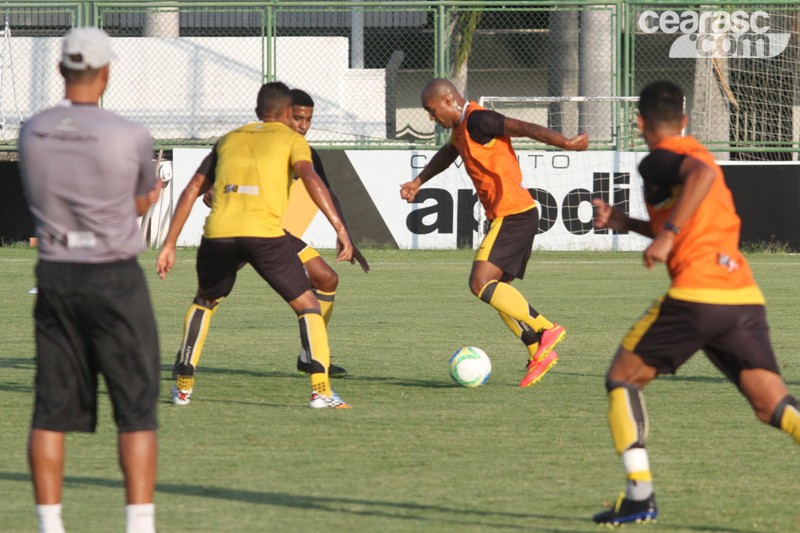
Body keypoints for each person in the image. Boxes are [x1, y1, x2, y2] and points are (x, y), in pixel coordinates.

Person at [591, 80, 800, 526]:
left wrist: (667, 236)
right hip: (742, 297)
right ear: (684, 120)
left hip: (697, 298)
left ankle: (639, 497)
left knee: (622, 380)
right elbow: (692, 204)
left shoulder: (660, 158)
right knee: (774, 406)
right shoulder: (694, 153)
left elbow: (698, 181)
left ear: (639, 123)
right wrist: (627, 223)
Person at [18, 27, 161, 533]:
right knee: (136, 408)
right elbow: (138, 202)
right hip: (114, 275)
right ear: (105, 72)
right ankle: (139, 525)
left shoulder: (32, 130)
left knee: (50, 409)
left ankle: (49, 524)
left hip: (56, 275)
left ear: (61, 69)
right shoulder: (129, 134)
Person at [156, 81, 353, 409]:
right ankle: (321, 390)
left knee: (204, 300)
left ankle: (183, 387)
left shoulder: (229, 139)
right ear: (288, 113)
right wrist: (341, 229)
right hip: (264, 236)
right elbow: (311, 179)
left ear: (257, 110)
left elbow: (192, 190)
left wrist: (169, 244)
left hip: (219, 234)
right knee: (308, 305)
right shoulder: (292, 140)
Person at [400, 78, 588, 387]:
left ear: (447, 100)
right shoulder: (460, 131)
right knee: (498, 291)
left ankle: (545, 328)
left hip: (514, 214)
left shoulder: (479, 120)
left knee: (480, 282)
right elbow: (448, 153)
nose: (431, 118)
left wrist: (565, 143)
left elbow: (523, 127)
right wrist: (418, 181)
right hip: (510, 216)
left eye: (431, 110)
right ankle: (538, 353)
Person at [197, 88, 369, 378]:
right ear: (286, 114)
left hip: (271, 233)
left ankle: (310, 357)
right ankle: (186, 358)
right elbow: (218, 176)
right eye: (298, 118)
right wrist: (214, 188)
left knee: (326, 278)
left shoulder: (302, 150)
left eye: (308, 120)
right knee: (209, 295)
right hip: (236, 230)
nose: (303, 126)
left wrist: (345, 234)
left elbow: (326, 192)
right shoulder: (254, 141)